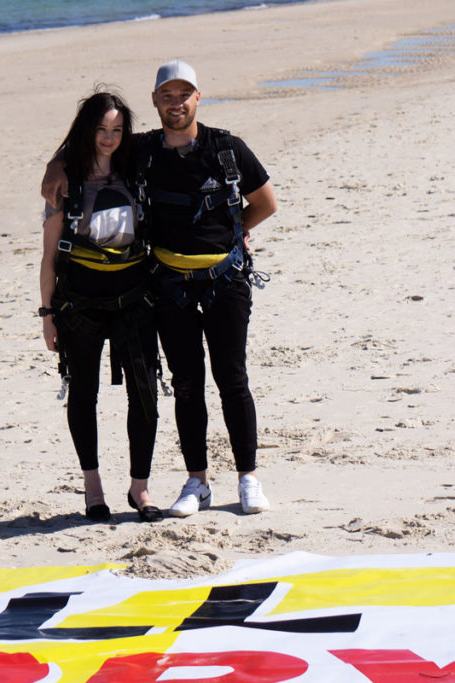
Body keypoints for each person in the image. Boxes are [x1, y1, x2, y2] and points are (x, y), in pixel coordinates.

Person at [42, 61, 277, 516]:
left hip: (225, 283)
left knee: (233, 380)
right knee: (187, 385)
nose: (176, 102)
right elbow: (93, 138)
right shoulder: (143, 151)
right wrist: (56, 163)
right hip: (168, 287)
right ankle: (198, 482)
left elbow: (265, 203)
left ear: (198, 97)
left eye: (183, 94)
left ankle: (248, 478)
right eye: (167, 95)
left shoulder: (227, 148)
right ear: (155, 102)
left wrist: (233, 234)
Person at [39, 89, 162, 524]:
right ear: (87, 131)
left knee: (145, 393)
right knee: (83, 394)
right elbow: (50, 253)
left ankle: (140, 488)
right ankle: (93, 488)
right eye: (101, 129)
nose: (109, 138)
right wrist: (47, 314)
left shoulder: (137, 165)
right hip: (79, 305)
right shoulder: (64, 180)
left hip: (134, 300)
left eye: (116, 129)